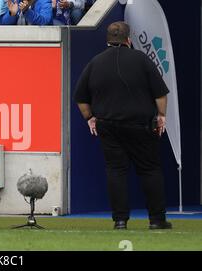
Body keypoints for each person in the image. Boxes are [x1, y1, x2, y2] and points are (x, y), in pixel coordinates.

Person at [74, 21, 172, 230]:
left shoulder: (95, 62)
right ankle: (156, 220)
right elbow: (160, 94)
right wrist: (161, 115)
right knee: (150, 170)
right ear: (129, 39)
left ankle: (120, 221)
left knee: (116, 171)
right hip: (140, 125)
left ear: (108, 39)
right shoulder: (142, 60)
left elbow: (80, 98)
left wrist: (90, 118)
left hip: (108, 126)